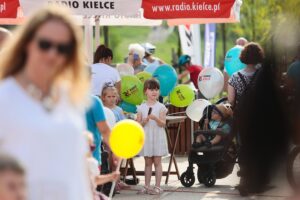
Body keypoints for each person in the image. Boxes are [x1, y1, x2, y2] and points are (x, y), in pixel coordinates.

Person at [0, 6, 92, 200]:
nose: (53, 54)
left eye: (63, 48)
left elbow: (78, 167)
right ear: (27, 43)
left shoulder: (70, 97)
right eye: (45, 44)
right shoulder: (6, 96)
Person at [136, 79, 168, 195]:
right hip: (147, 136)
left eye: (156, 89)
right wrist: (143, 122)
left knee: (157, 161)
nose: (154, 92)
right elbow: (138, 125)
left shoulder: (161, 107)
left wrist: (155, 118)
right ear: (145, 91)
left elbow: (163, 124)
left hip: (157, 136)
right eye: (151, 89)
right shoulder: (141, 107)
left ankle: (158, 186)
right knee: (148, 162)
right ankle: (147, 185)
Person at [85, 132, 120, 200]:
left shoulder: (92, 163)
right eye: (89, 148)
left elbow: (95, 179)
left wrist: (111, 177)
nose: (91, 151)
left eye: (92, 147)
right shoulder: (74, 164)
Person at [228, 42, 264, 107]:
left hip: (242, 115)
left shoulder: (235, 77)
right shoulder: (263, 76)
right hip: (260, 114)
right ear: (259, 56)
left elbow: (231, 101)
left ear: (243, 55)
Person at [85, 95, 112, 168]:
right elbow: (104, 131)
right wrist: (116, 150)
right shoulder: (94, 101)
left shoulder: (58, 101)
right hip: (91, 159)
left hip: (68, 160)